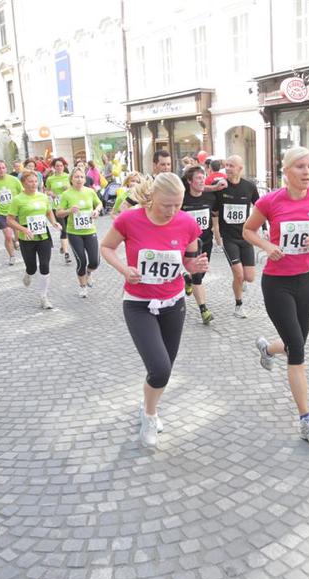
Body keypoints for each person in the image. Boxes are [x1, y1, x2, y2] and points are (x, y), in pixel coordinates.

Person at [99, 173, 208, 448]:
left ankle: (147, 404)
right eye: (166, 205)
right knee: (159, 368)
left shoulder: (187, 223)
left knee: (165, 370)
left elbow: (188, 262)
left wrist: (194, 267)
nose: (172, 211)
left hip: (174, 303)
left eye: (177, 205)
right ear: (152, 198)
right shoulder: (129, 219)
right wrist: (125, 269)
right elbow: (107, 247)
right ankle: (149, 415)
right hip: (138, 304)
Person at [243, 146, 309, 444]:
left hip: (306, 282)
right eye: (300, 166)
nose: (307, 172)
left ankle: (268, 350)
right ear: (286, 171)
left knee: (296, 343)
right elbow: (248, 230)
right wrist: (267, 246)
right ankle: (306, 420)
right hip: (277, 284)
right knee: (297, 348)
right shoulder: (270, 201)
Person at [7, 170, 62, 309]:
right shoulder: (18, 199)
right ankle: (28, 273)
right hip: (27, 237)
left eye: (35, 181)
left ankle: (44, 297)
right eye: (30, 181)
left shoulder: (43, 197)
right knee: (31, 267)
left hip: (43, 236)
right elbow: (10, 220)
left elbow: (49, 212)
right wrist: (23, 229)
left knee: (45, 265)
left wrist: (54, 222)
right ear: (23, 183)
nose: (33, 184)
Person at [214, 154, 260, 318]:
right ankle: (238, 306)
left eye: (231, 165)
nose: (227, 168)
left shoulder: (249, 186)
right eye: (226, 165)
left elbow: (260, 207)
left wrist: (264, 227)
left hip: (245, 236)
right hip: (229, 238)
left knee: (250, 277)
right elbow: (213, 212)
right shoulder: (219, 186)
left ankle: (240, 282)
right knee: (239, 274)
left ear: (240, 168)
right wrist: (217, 234)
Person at [56, 166, 102, 297]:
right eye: (76, 177)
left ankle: (89, 272)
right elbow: (58, 213)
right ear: (71, 179)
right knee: (81, 261)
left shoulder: (90, 192)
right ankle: (83, 287)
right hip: (74, 233)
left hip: (90, 231)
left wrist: (96, 210)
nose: (79, 179)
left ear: (85, 179)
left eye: (82, 177)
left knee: (95, 261)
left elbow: (99, 203)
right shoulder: (66, 194)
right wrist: (69, 210)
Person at [181, 166, 217, 324]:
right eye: (198, 178)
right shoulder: (182, 199)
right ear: (189, 181)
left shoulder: (210, 198)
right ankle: (204, 310)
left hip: (206, 241)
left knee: (200, 273)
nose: (202, 181)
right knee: (198, 277)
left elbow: (215, 215)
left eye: (203, 178)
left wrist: (218, 235)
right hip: (189, 244)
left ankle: (187, 279)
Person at [0, 159, 24, 265]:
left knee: (17, 235)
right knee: (7, 236)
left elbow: (22, 193)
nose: (1, 170)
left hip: (15, 212)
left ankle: (16, 240)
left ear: (6, 169)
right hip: (2, 213)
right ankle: (12, 256)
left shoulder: (14, 180)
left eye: (3, 168)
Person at [44, 157, 72, 264]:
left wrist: (69, 189)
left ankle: (63, 245)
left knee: (68, 229)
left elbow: (75, 188)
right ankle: (66, 253)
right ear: (54, 167)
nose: (59, 167)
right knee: (63, 229)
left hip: (68, 207)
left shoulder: (68, 176)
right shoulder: (50, 179)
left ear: (64, 166)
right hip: (57, 207)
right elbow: (47, 190)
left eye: (61, 166)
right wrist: (50, 193)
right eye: (57, 166)